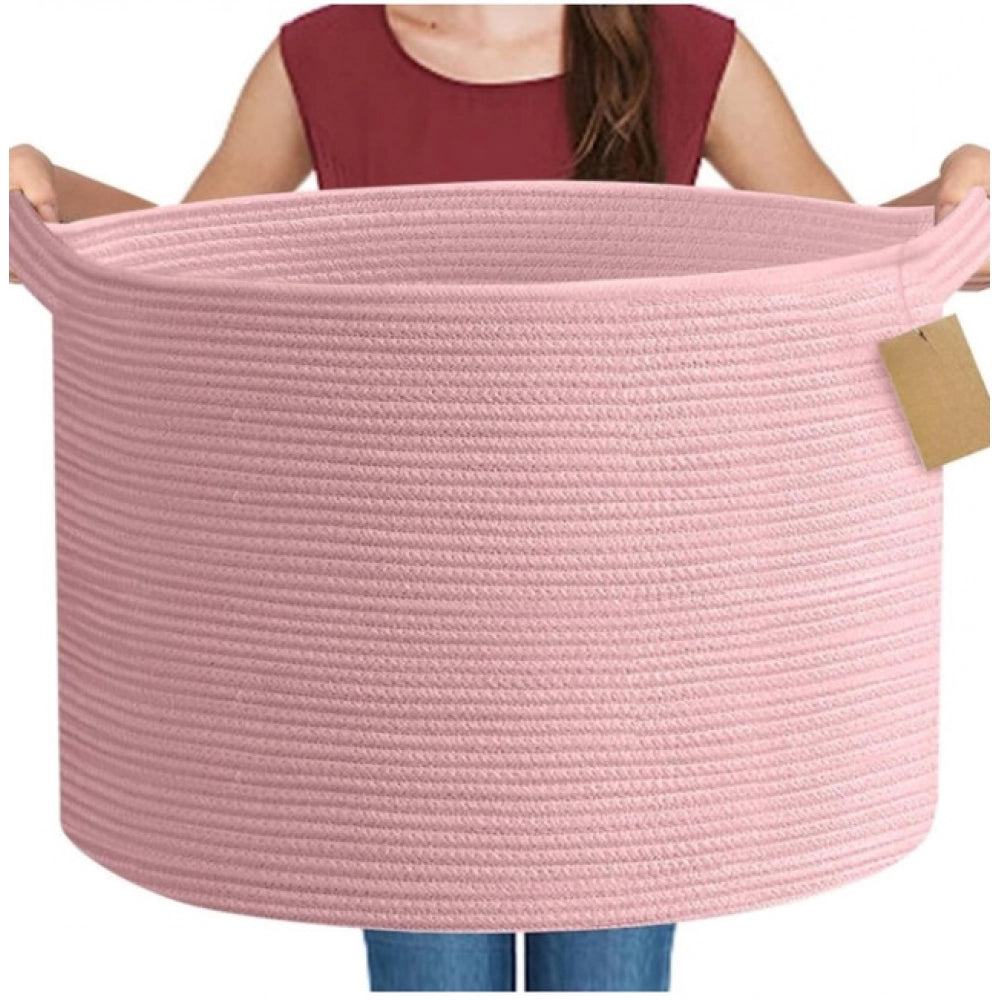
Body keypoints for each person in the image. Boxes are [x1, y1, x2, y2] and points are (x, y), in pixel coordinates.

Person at [7, 4, 990, 992]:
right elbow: (187, 277)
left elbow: (846, 276)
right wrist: (48, 188)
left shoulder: (687, 49)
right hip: (406, 654)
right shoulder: (321, 55)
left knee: (605, 980)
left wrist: (959, 202)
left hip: (624, 646)